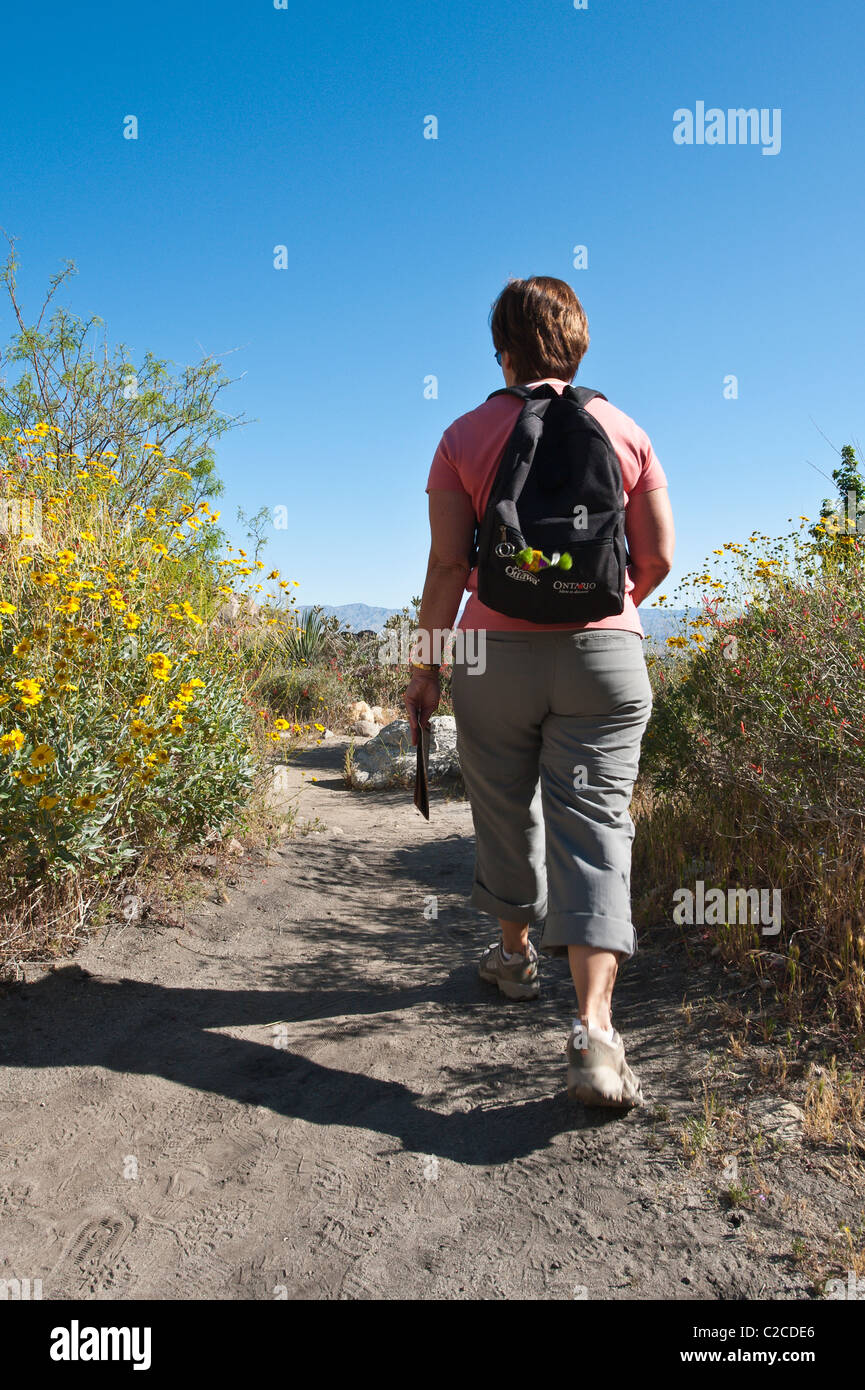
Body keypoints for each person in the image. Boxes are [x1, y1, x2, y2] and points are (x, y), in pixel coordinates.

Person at [403, 276, 674, 1108]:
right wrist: (602, 607)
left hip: (490, 654)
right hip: (604, 658)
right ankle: (594, 1032)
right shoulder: (623, 429)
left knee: (502, 803)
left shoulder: (462, 433)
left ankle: (514, 958)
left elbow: (451, 564)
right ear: (578, 342)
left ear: (502, 350)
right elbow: (658, 555)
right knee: (595, 828)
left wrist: (425, 667)